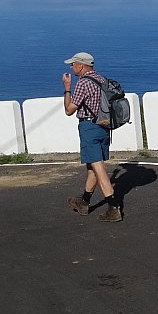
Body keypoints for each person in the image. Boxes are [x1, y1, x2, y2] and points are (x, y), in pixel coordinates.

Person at [61, 51, 122, 222]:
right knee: (92, 168)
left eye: (73, 64)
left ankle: (113, 206)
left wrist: (67, 89)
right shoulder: (102, 80)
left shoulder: (83, 83)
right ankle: (84, 202)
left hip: (89, 128)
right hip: (104, 127)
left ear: (81, 65)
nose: (71, 67)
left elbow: (69, 110)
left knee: (98, 168)